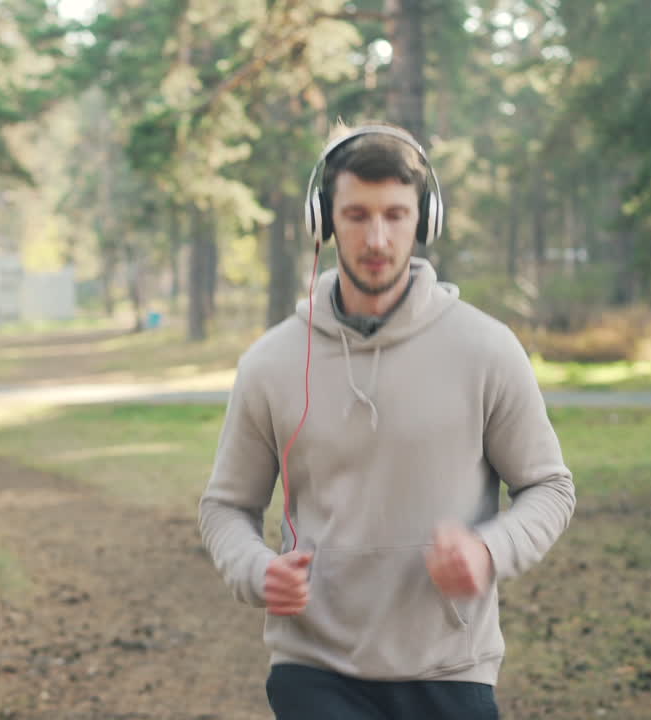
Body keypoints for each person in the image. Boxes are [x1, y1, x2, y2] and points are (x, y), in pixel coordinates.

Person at [197, 123, 576, 719]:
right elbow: (225, 506)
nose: (377, 237)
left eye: (396, 215)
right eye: (356, 214)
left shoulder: (486, 349)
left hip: (451, 670)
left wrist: (489, 551)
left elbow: (550, 486)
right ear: (321, 222)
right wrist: (255, 570)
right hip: (314, 670)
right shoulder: (271, 363)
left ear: (426, 221)